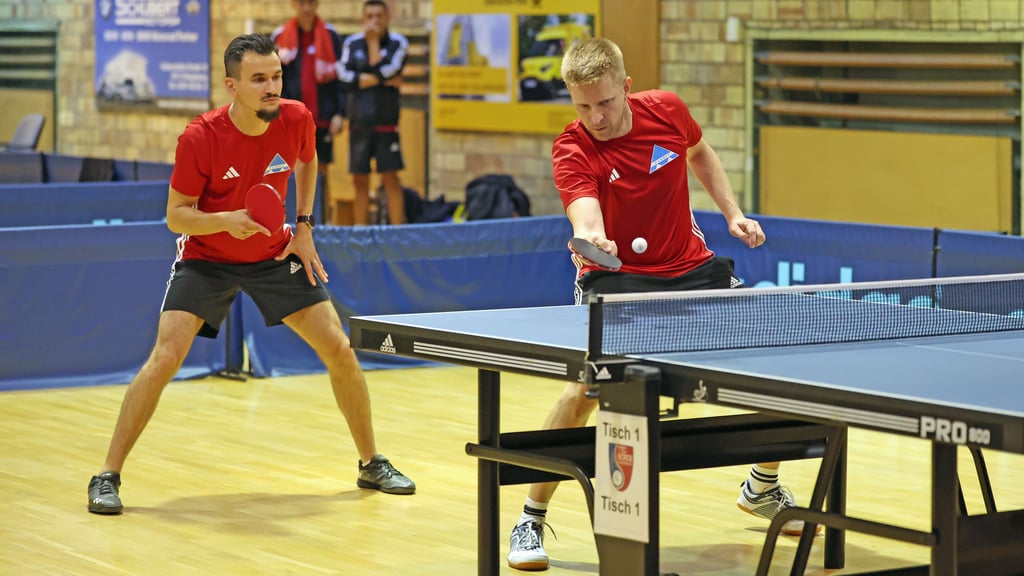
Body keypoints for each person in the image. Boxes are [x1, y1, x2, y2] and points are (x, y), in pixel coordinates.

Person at [506, 37, 814, 571]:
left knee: (778, 360)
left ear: (626, 87)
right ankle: (532, 516)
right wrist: (594, 239)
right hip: (618, 277)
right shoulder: (573, 148)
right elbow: (584, 214)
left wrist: (733, 213)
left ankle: (762, 486)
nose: (595, 117)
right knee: (585, 390)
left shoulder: (667, 111)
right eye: (583, 106)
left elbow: (700, 152)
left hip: (692, 268)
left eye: (604, 102)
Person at [86, 33, 415, 516]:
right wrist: (225, 221)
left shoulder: (297, 118)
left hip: (273, 251)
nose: (271, 87)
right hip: (207, 257)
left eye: (276, 76)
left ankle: (371, 462)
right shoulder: (201, 137)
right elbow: (176, 216)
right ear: (231, 85)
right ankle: (107, 474)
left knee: (339, 348)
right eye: (258, 78)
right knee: (166, 356)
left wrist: (304, 225)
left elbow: (309, 159)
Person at [337, 0, 410, 225]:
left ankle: (398, 232)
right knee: (360, 179)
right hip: (359, 123)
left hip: (386, 123)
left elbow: (389, 71)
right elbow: (343, 77)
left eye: (379, 16)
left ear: (387, 18)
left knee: (390, 177)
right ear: (363, 18)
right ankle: (361, 231)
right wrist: (379, 80)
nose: (374, 21)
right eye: (370, 16)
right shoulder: (351, 43)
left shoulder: (398, 42)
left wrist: (374, 45)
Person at [272, 0, 346, 218]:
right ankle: (287, 222)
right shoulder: (279, 36)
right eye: (302, 3)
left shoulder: (331, 36)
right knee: (285, 171)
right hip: (288, 119)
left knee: (320, 171)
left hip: (322, 118)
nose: (307, 8)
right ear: (294, 5)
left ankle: (321, 221)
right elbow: (275, 78)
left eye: (311, 3)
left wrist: (340, 113)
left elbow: (341, 80)